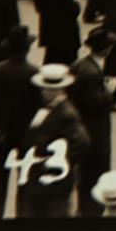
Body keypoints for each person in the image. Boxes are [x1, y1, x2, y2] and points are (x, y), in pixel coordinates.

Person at [14, 64, 92, 218]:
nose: (42, 92)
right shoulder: (50, 108)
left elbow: (83, 143)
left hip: (53, 182)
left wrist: (59, 161)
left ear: (55, 90)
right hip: (38, 178)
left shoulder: (67, 113)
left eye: (45, 89)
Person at [0, 26, 40, 219]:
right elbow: (37, 107)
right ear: (27, 49)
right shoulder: (34, 73)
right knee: (23, 179)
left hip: (1, 133)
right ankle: (21, 217)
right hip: (24, 134)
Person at [69, 28, 116, 217]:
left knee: (84, 175)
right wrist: (109, 91)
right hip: (95, 132)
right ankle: (92, 212)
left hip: (82, 128)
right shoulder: (92, 73)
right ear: (106, 50)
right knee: (96, 173)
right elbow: (94, 102)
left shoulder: (80, 65)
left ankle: (83, 208)